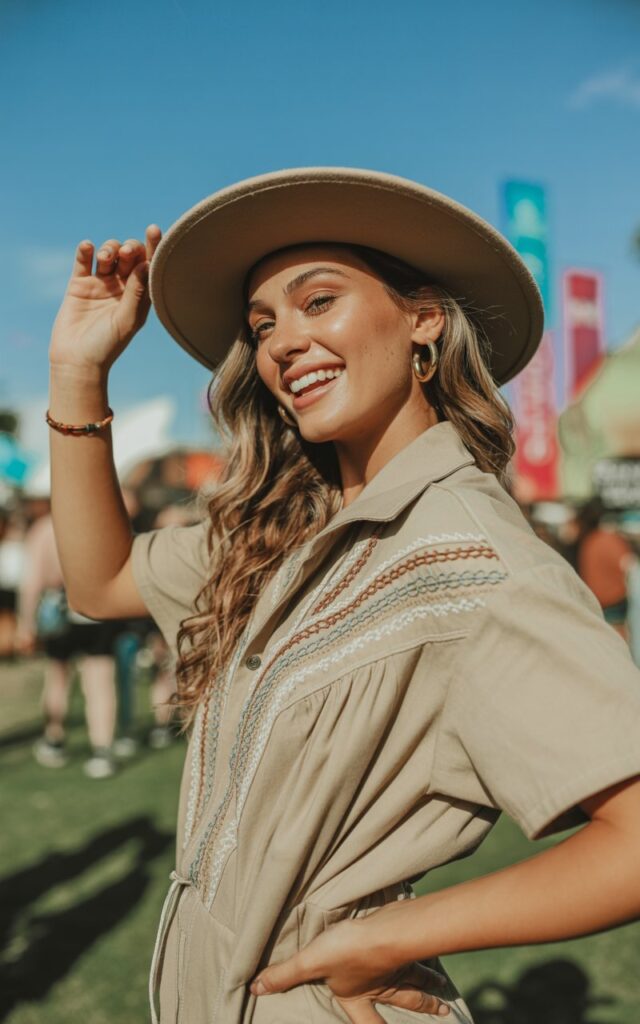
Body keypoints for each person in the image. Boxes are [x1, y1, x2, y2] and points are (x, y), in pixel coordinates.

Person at [47, 168, 640, 1024]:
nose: (283, 342)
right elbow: (99, 584)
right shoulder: (282, 529)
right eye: (262, 325)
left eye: (318, 301)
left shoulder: (477, 560)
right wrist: (76, 371)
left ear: (423, 320)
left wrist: (388, 937)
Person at [16, 510, 119, 777]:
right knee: (99, 680)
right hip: (97, 610)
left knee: (58, 677)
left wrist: (26, 624)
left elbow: (32, 582)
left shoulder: (44, 529)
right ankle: (102, 750)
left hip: (60, 609)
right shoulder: (96, 519)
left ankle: (54, 740)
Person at [574, 496, 635, 641]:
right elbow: (629, 567)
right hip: (614, 607)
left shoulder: (588, 543)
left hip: (595, 604)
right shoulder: (609, 540)